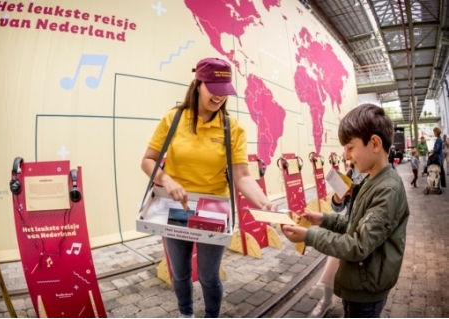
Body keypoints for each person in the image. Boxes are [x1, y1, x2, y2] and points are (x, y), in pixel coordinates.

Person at [140, 57, 277, 318]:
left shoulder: (232, 128)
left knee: (208, 275)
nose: (219, 97)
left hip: (213, 208)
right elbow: (147, 161)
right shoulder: (174, 119)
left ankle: (211, 315)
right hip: (176, 207)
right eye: (213, 89)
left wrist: (263, 201)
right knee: (179, 273)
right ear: (198, 84)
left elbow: (242, 175)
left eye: (224, 92)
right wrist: (167, 180)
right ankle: (186, 314)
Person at [282, 104, 410, 318]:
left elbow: (358, 245)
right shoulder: (371, 180)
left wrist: (309, 236)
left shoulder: (386, 189)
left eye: (350, 147)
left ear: (375, 143)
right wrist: (321, 219)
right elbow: (353, 224)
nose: (346, 156)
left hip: (366, 290)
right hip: (360, 281)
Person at [308, 164, 368, 318]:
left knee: (353, 278)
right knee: (330, 272)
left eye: (351, 148)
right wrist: (338, 197)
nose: (348, 155)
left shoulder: (374, 177)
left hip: (363, 234)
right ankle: (327, 301)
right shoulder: (349, 174)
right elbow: (337, 208)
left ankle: (349, 308)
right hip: (346, 230)